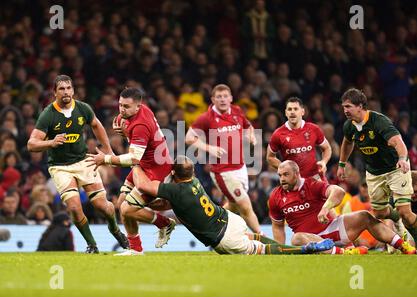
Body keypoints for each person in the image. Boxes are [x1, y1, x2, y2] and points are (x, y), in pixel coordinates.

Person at [133, 155, 334, 255]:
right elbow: (172, 205)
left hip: (223, 238)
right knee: (254, 237)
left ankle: (305, 250)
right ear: (192, 172)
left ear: (174, 174)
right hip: (230, 220)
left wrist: (135, 163)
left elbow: (143, 184)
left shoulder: (176, 190)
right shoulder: (194, 182)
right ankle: (293, 247)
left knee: (265, 251)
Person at [27, 75, 128, 254]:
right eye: (61, 89)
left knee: (102, 206)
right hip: (60, 167)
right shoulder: (48, 114)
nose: (66, 92)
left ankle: (115, 229)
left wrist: (108, 150)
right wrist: (50, 143)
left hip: (83, 161)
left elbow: (96, 125)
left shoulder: (83, 108)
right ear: (55, 92)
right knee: (74, 207)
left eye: (68, 88)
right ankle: (92, 244)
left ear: (73, 90)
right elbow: (31, 144)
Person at [86, 87, 176, 255]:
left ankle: (164, 223)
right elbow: (136, 146)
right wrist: (126, 133)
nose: (121, 109)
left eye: (126, 106)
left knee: (127, 209)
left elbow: (133, 158)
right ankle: (135, 248)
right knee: (121, 204)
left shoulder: (141, 125)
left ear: (138, 106)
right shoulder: (140, 111)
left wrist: (105, 159)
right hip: (144, 166)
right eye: (120, 105)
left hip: (155, 170)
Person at [268, 160, 416, 254]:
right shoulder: (276, 196)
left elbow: (338, 191)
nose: (282, 179)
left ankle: (404, 246)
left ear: (296, 173)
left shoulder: (311, 184)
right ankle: (344, 252)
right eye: (280, 175)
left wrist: (326, 208)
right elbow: (277, 226)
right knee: (296, 238)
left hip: (333, 228)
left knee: (365, 216)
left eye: (286, 174)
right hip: (311, 239)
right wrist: (281, 248)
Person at [337, 88, 417, 245]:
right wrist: (341, 164)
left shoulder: (379, 121)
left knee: (405, 212)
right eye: (343, 107)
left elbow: (398, 141)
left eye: (348, 106)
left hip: (395, 168)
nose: (345, 110)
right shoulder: (349, 126)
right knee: (380, 213)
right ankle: (394, 217)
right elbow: (347, 142)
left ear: (360, 106)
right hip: (374, 172)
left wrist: (402, 158)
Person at [185, 84, 262, 234]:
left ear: (231, 98)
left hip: (240, 167)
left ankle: (210, 227)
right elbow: (189, 138)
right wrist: (209, 148)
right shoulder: (206, 118)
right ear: (213, 99)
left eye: (225, 96)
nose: (222, 99)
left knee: (233, 204)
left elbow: (248, 126)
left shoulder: (237, 111)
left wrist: (251, 135)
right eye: (219, 97)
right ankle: (261, 236)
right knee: (245, 206)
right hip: (222, 171)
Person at [267, 97, 332, 180]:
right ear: (286, 113)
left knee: (336, 191)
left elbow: (327, 148)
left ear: (302, 112)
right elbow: (270, 157)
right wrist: (283, 167)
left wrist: (324, 161)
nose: (292, 112)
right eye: (289, 109)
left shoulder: (313, 129)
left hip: (315, 177)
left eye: (295, 109)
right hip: (293, 181)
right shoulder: (278, 134)